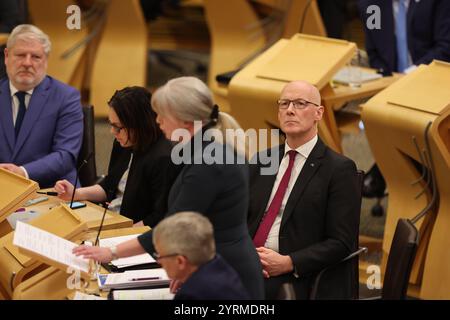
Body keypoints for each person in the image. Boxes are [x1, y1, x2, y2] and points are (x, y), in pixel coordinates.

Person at [73, 76, 264, 300]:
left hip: (226, 275)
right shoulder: (204, 148)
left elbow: (174, 227)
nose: (158, 121)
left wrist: (111, 252)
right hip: (207, 264)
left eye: (162, 115)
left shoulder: (209, 162)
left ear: (184, 120)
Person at [247, 80, 360, 299]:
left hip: (298, 273)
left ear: (319, 113)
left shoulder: (339, 169)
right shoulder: (262, 160)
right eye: (284, 104)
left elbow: (341, 242)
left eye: (300, 104)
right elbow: (240, 218)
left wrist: (288, 262)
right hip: (250, 263)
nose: (290, 110)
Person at [358, 0, 450, 200]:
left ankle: (389, 171)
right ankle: (392, 170)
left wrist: (408, 78)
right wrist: (389, 82)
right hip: (391, 88)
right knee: (372, 115)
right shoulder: (372, 6)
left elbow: (445, 48)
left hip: (434, 82)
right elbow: (374, 52)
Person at [55, 87, 177, 227]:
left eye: (118, 127)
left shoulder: (163, 158)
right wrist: (76, 193)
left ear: (139, 125)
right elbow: (109, 186)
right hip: (109, 219)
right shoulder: (124, 142)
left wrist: (120, 233)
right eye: (111, 124)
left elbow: (159, 217)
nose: (112, 132)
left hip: (132, 231)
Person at [0, 24, 83, 188]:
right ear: (6, 56)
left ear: (46, 60)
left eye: (36, 57)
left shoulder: (67, 97)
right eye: (21, 55)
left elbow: (65, 155)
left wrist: (23, 172)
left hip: (51, 188)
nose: (27, 63)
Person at [152, 211, 250, 300]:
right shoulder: (220, 265)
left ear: (180, 261)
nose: (158, 261)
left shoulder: (191, 294)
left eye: (160, 256)